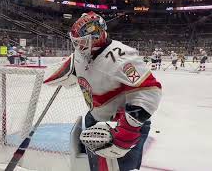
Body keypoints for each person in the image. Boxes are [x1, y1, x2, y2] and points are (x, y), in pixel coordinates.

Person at [44, 12, 162, 171]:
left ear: (97, 37)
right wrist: (61, 74)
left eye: (83, 42)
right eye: (77, 42)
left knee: (122, 168)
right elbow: (69, 69)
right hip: (95, 119)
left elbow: (149, 91)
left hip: (121, 125)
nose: (78, 47)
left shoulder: (122, 57)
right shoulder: (82, 53)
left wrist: (127, 129)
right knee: (98, 168)